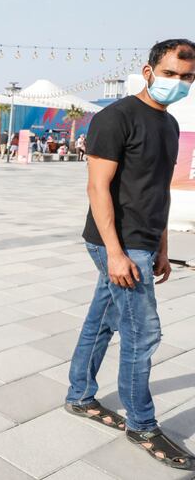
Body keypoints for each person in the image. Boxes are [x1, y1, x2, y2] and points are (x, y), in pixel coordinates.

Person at [65, 39, 195, 472]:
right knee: (143, 333)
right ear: (148, 70)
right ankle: (142, 424)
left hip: (143, 241)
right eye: (171, 74)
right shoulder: (115, 117)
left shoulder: (170, 125)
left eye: (188, 78)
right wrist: (116, 254)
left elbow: (156, 190)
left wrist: (162, 244)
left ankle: (80, 396)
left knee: (102, 320)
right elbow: (97, 188)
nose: (178, 83)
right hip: (113, 243)